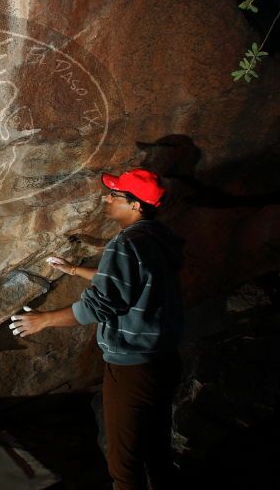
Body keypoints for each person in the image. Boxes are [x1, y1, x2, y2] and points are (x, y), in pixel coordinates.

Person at [10, 169, 184, 490]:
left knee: (124, 464)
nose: (107, 198)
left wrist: (43, 319)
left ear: (136, 205)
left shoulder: (126, 244)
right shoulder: (158, 238)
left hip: (133, 367)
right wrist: (74, 270)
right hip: (164, 359)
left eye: (116, 195)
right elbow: (130, 284)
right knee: (157, 451)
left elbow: (98, 306)